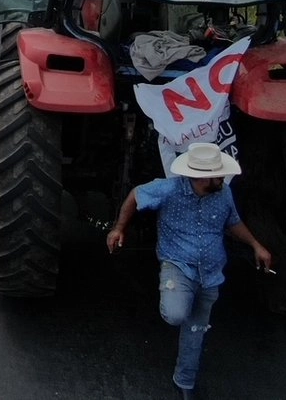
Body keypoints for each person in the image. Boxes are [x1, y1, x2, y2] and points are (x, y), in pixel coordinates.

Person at [107, 143, 272, 400]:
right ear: (200, 178)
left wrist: (255, 245)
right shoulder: (168, 190)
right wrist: (119, 228)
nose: (222, 178)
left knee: (196, 330)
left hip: (211, 273)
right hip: (178, 266)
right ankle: (175, 297)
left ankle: (184, 381)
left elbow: (233, 222)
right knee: (176, 314)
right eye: (217, 175)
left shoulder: (224, 194)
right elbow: (135, 195)